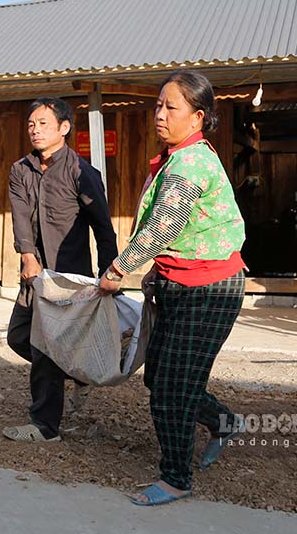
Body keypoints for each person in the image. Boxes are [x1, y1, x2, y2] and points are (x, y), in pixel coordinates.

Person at [98, 70, 247, 505]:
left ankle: (176, 478)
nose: (159, 115)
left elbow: (164, 225)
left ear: (197, 117)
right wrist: (155, 271)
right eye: (158, 105)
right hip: (177, 282)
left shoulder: (192, 161)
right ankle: (223, 422)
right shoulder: (174, 156)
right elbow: (172, 229)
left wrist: (118, 270)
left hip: (210, 289)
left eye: (171, 107)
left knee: (171, 389)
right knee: (161, 376)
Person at [3, 97, 118, 442]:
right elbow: (20, 217)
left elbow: (102, 226)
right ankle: (78, 374)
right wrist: (27, 257)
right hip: (34, 274)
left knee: (44, 347)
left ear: (64, 128)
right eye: (31, 124)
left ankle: (44, 426)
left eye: (43, 124)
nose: (34, 130)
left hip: (69, 279)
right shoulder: (20, 170)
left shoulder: (82, 172)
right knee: (18, 337)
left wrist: (108, 273)